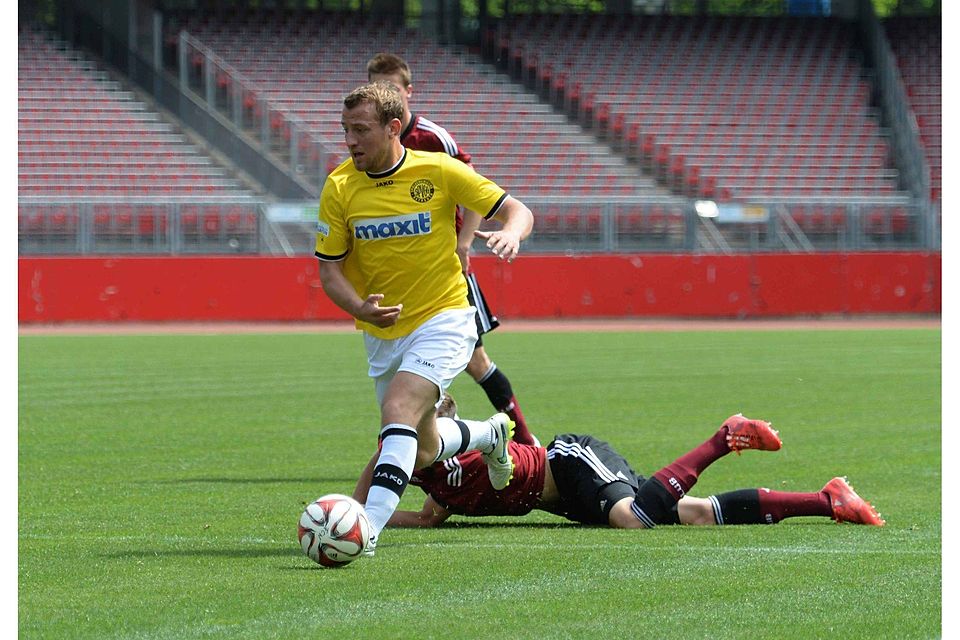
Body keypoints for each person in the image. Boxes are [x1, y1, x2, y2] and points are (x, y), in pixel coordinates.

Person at [315, 81, 534, 555]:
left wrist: (511, 234)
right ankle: (492, 433)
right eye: (345, 130)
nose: (350, 141)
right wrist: (358, 307)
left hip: (446, 318)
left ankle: (365, 530)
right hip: (383, 334)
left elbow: (516, 209)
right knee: (426, 448)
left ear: (393, 128)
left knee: (397, 409)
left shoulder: (437, 169)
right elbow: (329, 271)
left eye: (361, 130)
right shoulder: (339, 187)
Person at [360, 394, 885, 530]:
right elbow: (426, 516)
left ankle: (724, 438)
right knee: (691, 514)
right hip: (567, 503)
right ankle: (826, 500)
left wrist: (354, 507)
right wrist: (360, 514)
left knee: (633, 520)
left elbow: (443, 428)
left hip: (567, 461)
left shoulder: (454, 438)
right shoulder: (434, 484)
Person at [366, 52, 537, 447]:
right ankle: (445, 426)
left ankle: (522, 439)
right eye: (377, 89)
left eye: (391, 88)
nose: (384, 95)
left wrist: (462, 244)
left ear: (408, 91)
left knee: (477, 362)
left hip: (444, 270)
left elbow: (476, 191)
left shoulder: (432, 138)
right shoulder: (371, 144)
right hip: (403, 277)